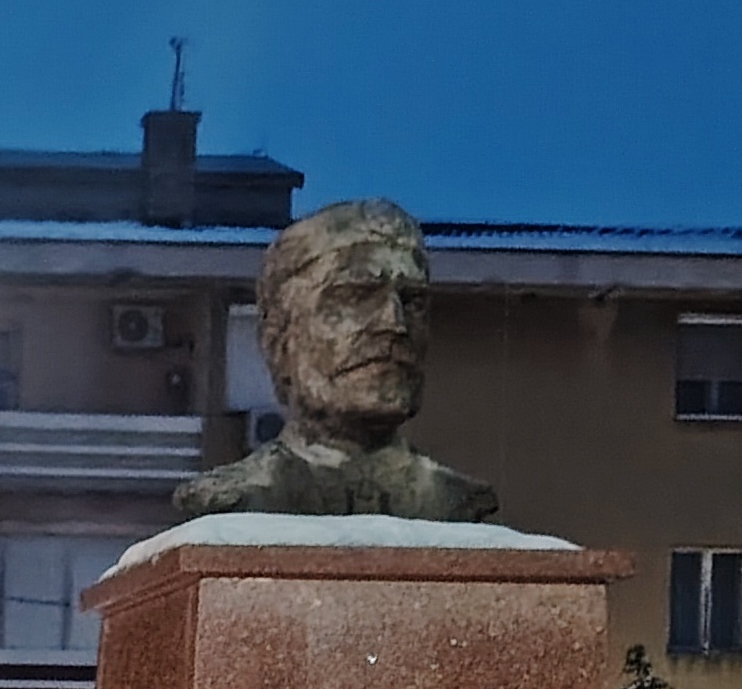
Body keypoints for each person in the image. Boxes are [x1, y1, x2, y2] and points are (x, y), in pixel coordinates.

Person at [173, 198, 500, 522]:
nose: (395, 324)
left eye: (412, 301)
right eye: (355, 297)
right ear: (278, 343)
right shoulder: (239, 499)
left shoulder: (454, 501)